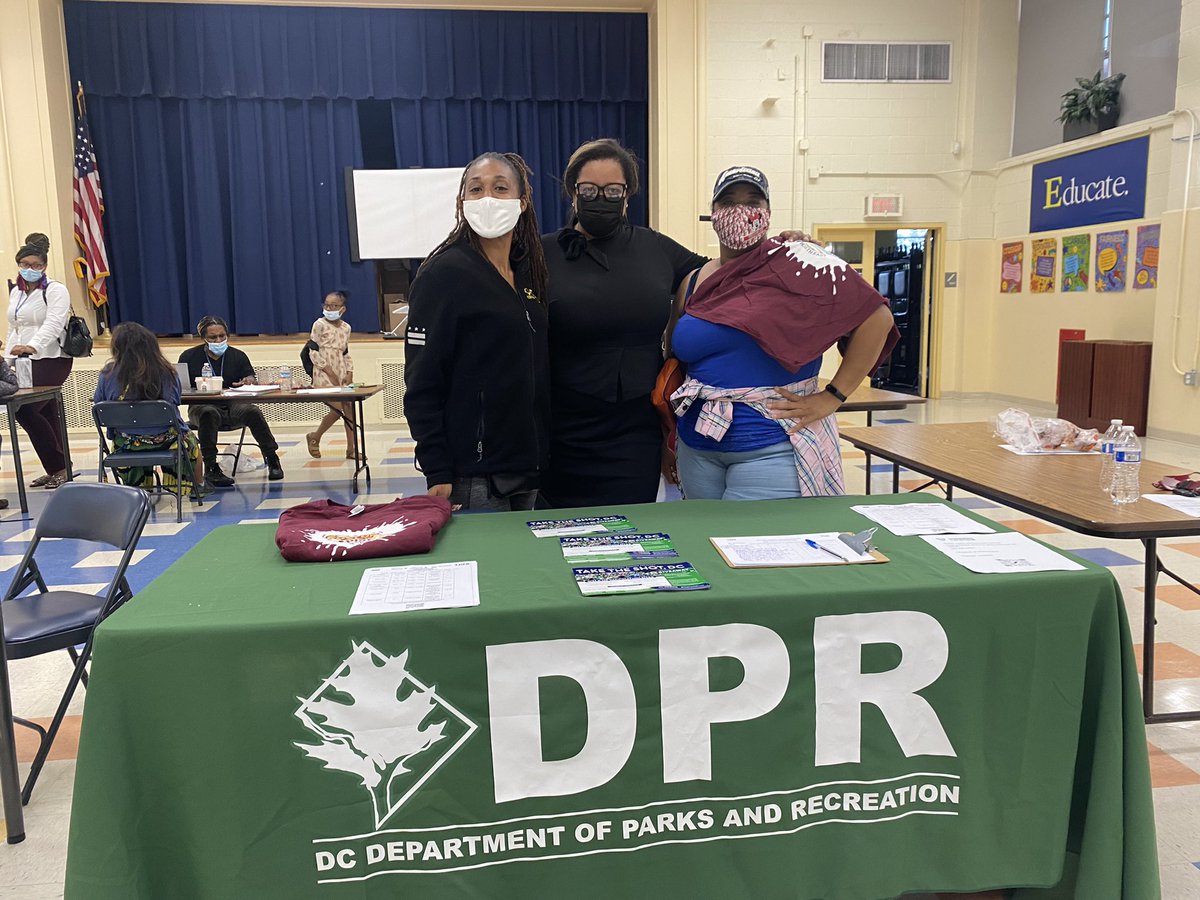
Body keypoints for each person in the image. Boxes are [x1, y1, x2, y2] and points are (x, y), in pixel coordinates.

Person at [667, 165, 897, 501]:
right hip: (697, 448)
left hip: (773, 446)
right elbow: (675, 355)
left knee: (755, 550)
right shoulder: (694, 279)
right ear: (713, 214)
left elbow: (878, 318)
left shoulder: (801, 262)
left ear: (768, 213)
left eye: (752, 201)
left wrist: (833, 396)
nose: (739, 210)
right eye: (728, 201)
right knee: (704, 547)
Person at [540, 139, 709, 509]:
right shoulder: (541, 253)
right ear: (572, 193)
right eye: (589, 189)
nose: (601, 197)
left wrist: (780, 250)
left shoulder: (655, 248)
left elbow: (722, 272)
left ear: (628, 194)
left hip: (634, 435)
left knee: (630, 540)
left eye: (613, 190)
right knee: (558, 542)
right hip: (559, 432)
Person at [404, 151, 550, 512]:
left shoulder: (528, 275)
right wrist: (436, 467)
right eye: (476, 189)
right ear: (462, 201)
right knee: (488, 568)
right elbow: (422, 383)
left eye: (500, 188)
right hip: (474, 475)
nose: (487, 198)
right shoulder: (444, 274)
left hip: (529, 466)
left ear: (522, 200)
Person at [94, 322, 204, 496]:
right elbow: (174, 401)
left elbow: (99, 405)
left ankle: (138, 490)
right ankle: (197, 488)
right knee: (192, 443)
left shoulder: (107, 373)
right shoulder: (167, 372)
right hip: (166, 440)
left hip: (127, 442)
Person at [178, 316, 284, 487]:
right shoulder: (189, 356)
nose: (218, 340)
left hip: (232, 406)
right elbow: (180, 386)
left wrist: (248, 380)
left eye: (222, 336)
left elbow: (251, 376)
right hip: (201, 406)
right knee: (208, 413)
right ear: (203, 338)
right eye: (213, 338)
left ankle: (272, 458)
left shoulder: (238, 356)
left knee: (252, 411)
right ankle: (211, 467)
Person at [5, 233, 73, 489]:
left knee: (27, 410)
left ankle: (57, 466)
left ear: (44, 266)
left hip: (52, 357)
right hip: (23, 359)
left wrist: (32, 346)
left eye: (36, 265)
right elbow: (14, 326)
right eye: (25, 265)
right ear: (19, 265)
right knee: (47, 412)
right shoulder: (17, 293)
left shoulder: (55, 290)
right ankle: (61, 467)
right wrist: (9, 356)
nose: (30, 269)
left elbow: (54, 323)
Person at [304, 291, 356, 459]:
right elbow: (312, 351)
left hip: (340, 371)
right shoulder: (319, 324)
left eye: (333, 306)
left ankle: (352, 448)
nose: (329, 308)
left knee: (349, 408)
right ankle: (315, 436)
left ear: (342, 309)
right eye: (326, 305)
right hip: (323, 372)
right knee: (338, 408)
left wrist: (349, 371)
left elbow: (346, 352)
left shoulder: (346, 328)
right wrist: (328, 370)